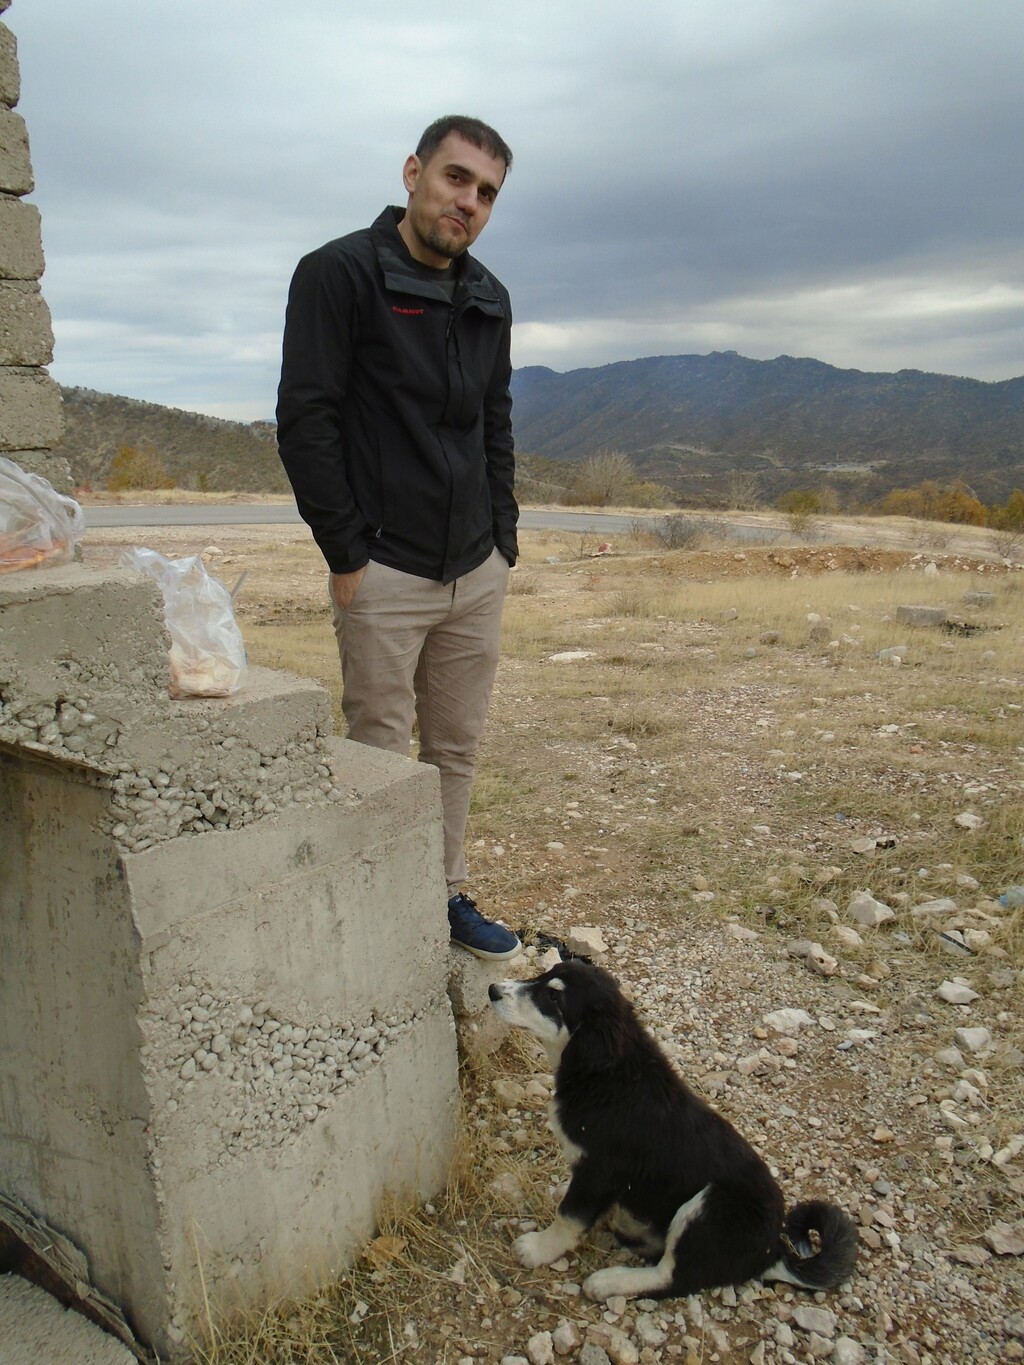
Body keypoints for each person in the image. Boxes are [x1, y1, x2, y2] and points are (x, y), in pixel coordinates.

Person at [276, 114, 522, 961]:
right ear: (414, 172)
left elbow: (495, 420)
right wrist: (346, 553)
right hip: (383, 565)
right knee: (380, 750)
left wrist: (504, 542)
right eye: (456, 179)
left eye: (486, 193)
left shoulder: (488, 296)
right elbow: (306, 420)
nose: (469, 202)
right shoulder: (337, 274)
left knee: (454, 745)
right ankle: (381, 905)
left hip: (473, 567)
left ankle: (444, 889)